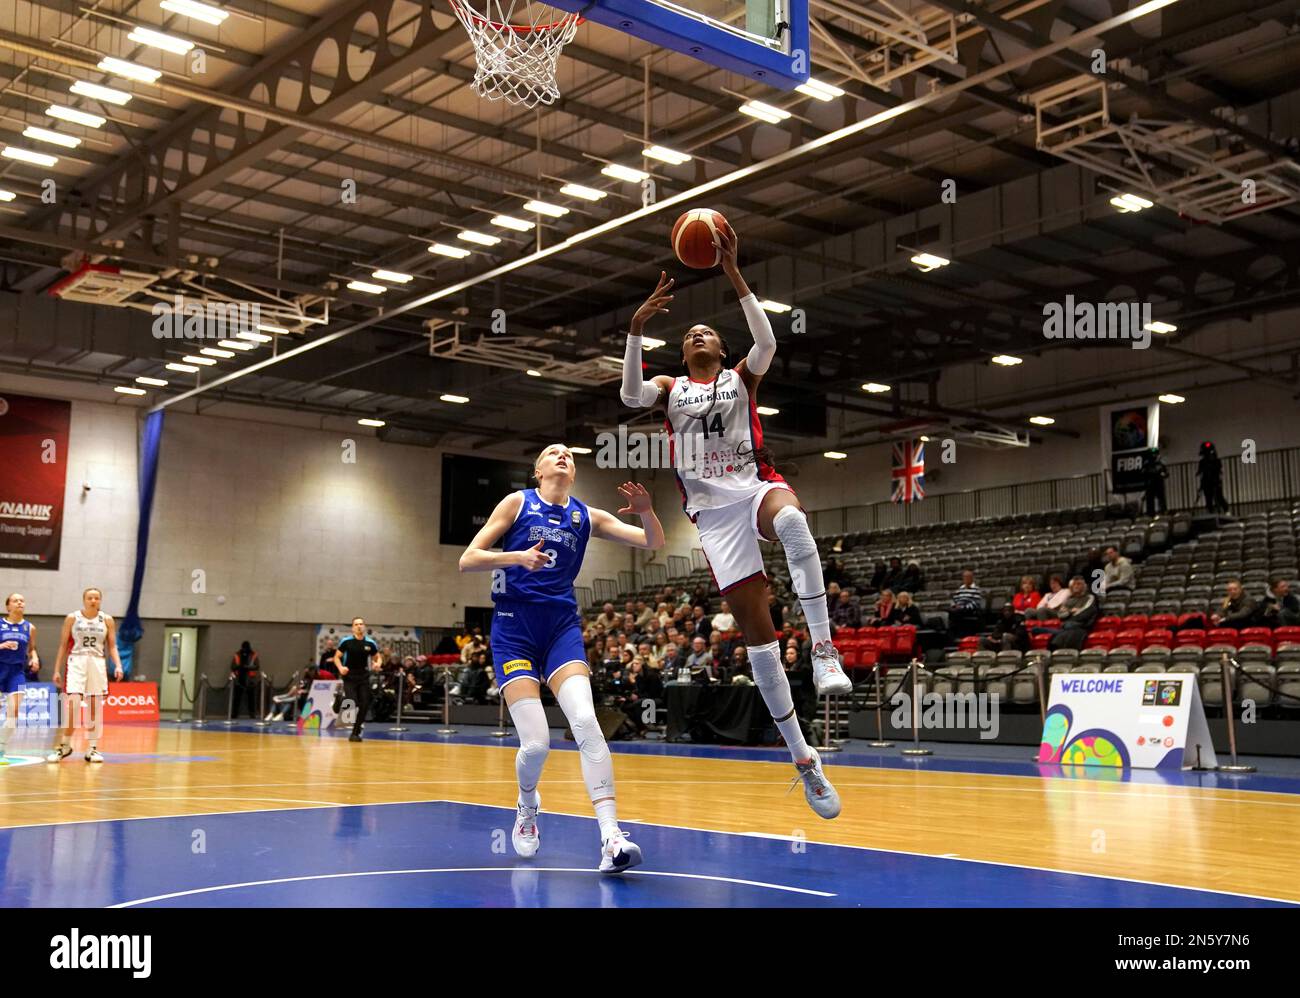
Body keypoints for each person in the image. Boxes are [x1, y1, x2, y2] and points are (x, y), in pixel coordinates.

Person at [621, 240, 847, 818]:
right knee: (761, 644)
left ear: (722, 348)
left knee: (795, 524)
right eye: (688, 333)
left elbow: (768, 341)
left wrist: (733, 271)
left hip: (754, 488)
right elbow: (628, 394)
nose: (696, 335)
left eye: (706, 332)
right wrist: (635, 330)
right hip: (712, 517)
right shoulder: (670, 388)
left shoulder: (743, 376)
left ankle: (824, 650)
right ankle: (803, 758)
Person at [459, 444, 664, 873]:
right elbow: (468, 559)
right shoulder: (517, 503)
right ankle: (527, 804)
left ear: (573, 473)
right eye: (552, 453)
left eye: (568, 454)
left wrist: (646, 510)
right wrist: (517, 557)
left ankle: (611, 836)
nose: (562, 455)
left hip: (561, 629)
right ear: (537, 470)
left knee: (586, 722)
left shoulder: (586, 515)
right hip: (514, 629)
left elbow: (653, 541)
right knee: (537, 743)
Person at [48, 587, 123, 764]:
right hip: (77, 661)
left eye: (96, 598)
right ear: (84, 600)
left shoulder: (107, 620)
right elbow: (62, 645)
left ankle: (92, 749)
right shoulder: (72, 618)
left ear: (100, 601)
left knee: (94, 708)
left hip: (97, 662)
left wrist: (118, 665)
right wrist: (57, 669)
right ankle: (65, 746)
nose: (93, 601)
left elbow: (112, 646)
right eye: (90, 598)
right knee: (73, 704)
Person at [0, 593, 39, 765]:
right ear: (8, 606)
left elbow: (31, 649)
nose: (19, 603)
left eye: (22, 600)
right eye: (15, 601)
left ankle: (1, 749)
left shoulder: (30, 627)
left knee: (13, 712)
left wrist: (34, 657)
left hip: (16, 672)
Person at [334, 618, 382, 741]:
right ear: (352, 628)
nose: (359, 626)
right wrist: (340, 668)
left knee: (365, 704)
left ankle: (355, 733)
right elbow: (336, 657)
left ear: (364, 626)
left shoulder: (370, 643)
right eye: (356, 624)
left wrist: (377, 664)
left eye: (361, 624)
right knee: (352, 701)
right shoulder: (346, 642)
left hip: (363, 676)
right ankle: (340, 700)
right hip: (349, 676)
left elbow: (378, 657)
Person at [948, 571, 986, 638]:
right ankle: (953, 634)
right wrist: (955, 605)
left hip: (969, 610)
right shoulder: (961, 589)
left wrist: (962, 607)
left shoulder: (976, 589)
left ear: (972, 578)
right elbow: (955, 599)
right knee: (950, 610)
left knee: (956, 613)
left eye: (968, 577)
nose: (966, 579)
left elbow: (975, 603)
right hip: (959, 609)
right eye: (965, 577)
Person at [230, 641, 260, 719]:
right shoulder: (237, 654)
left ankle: (252, 714)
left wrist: (246, 667)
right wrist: (239, 667)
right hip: (239, 679)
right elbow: (233, 666)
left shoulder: (254, 654)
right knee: (236, 698)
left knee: (251, 698)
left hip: (250, 679)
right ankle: (234, 714)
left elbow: (257, 666)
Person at [1197, 441, 1229, 514]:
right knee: (1209, 499)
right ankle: (1211, 512)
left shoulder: (1216, 461)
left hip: (1215, 482)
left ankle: (1225, 510)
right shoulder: (1202, 462)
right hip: (1206, 483)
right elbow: (1201, 473)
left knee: (1219, 497)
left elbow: (1219, 472)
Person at [1142, 448, 1168, 515]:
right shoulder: (1147, 464)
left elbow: (1166, 473)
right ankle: (1151, 514)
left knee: (1161, 499)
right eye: (1152, 454)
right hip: (1150, 484)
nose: (1154, 455)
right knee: (1150, 500)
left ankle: (1163, 512)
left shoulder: (1161, 464)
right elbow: (1143, 473)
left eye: (1155, 454)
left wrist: (1162, 474)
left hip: (1159, 484)